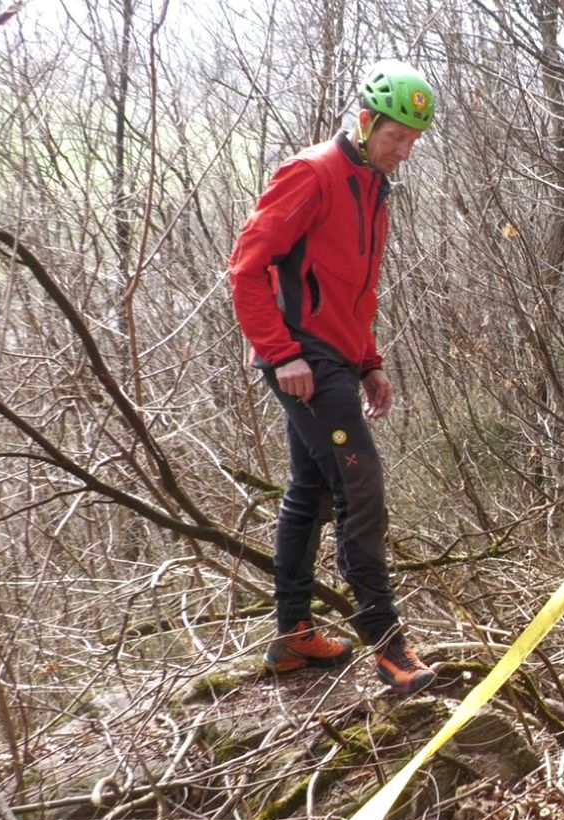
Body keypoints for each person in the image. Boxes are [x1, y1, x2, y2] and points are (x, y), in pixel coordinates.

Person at [228, 59, 438, 695]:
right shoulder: (311, 173)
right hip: (302, 357)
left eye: (412, 140)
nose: (403, 150)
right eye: (395, 135)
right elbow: (245, 268)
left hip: (337, 357)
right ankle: (388, 645)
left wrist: (368, 360)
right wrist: (279, 352)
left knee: (309, 493)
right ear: (367, 120)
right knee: (360, 487)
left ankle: (292, 637)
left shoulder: (374, 187)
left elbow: (352, 291)